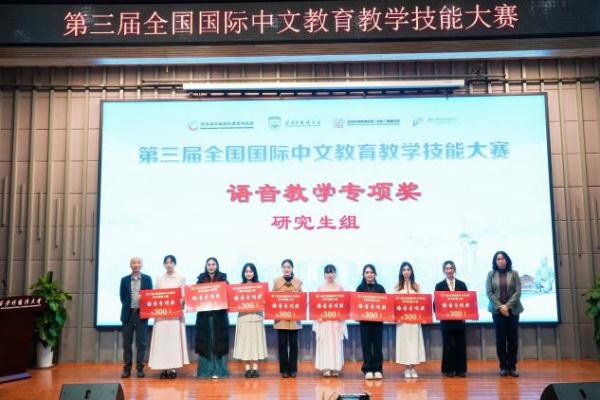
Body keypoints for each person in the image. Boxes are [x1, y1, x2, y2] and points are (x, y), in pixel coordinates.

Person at [148, 255, 190, 379]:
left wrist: (183, 300)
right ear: (164, 264)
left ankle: (172, 368)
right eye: (166, 262)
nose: (169, 264)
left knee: (173, 342)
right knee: (162, 342)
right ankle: (163, 368)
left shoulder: (181, 278)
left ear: (175, 264)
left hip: (174, 317)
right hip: (161, 316)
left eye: (171, 262)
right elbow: (155, 296)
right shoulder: (159, 279)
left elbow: (184, 296)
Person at [486, 251, 524, 377]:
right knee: (500, 340)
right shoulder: (491, 274)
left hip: (513, 311)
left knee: (512, 339)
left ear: (507, 260)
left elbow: (518, 291)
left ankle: (512, 366)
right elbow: (489, 292)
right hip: (497, 312)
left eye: (502, 259)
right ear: (495, 261)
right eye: (498, 259)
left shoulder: (514, 273)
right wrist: (500, 307)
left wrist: (507, 306)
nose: (500, 261)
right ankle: (503, 366)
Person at [195, 257, 230, 379]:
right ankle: (205, 371)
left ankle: (219, 371)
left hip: (219, 318)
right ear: (206, 266)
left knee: (218, 343)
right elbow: (194, 297)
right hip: (204, 318)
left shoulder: (223, 279)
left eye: (213, 264)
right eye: (209, 264)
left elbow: (228, 296)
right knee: (206, 344)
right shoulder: (200, 280)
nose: (211, 266)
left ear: (217, 266)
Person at [232, 262, 268, 378]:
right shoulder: (239, 287)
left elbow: (265, 302)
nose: (248, 273)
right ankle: (247, 369)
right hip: (244, 318)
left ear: (254, 273)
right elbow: (234, 302)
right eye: (246, 271)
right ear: (243, 273)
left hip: (257, 318)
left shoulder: (260, 286)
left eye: (251, 271)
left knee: (256, 343)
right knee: (245, 343)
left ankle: (255, 369)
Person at [119, 256, 153, 378]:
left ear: (141, 265)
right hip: (128, 315)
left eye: (138, 262)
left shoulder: (147, 279)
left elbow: (150, 296)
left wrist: (142, 301)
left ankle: (140, 369)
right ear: (131, 265)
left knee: (141, 344)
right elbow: (122, 297)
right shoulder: (124, 280)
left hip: (141, 315)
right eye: (134, 263)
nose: (136, 264)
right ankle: (127, 369)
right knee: (126, 344)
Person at [434, 260, 468, 378]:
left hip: (459, 320)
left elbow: (467, 302)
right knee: (448, 345)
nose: (449, 270)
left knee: (460, 345)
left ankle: (460, 369)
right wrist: (439, 313)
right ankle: (448, 369)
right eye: (447, 268)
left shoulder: (462, 285)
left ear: (454, 270)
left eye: (451, 268)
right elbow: (435, 304)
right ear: (444, 271)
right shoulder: (439, 285)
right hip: (446, 321)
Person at [313, 264, 347, 377]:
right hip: (324, 321)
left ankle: (336, 367)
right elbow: (316, 305)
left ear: (335, 274)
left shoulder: (340, 288)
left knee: (335, 343)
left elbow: (344, 305)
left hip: (336, 321)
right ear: (324, 274)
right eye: (327, 272)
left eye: (332, 272)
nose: (330, 274)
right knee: (325, 343)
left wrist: (342, 316)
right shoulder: (320, 288)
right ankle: (326, 368)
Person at [395, 261, 426, 378]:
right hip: (402, 321)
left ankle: (413, 368)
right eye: (404, 270)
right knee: (405, 343)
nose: (406, 272)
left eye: (408, 269)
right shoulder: (397, 286)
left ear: (411, 271)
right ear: (401, 272)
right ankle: (407, 368)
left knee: (414, 343)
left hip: (414, 320)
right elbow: (394, 303)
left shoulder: (417, 286)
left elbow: (422, 302)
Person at [272, 258, 303, 378]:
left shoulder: (298, 282)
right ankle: (284, 370)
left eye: (289, 267)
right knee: (282, 344)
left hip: (294, 319)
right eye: (284, 267)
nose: (286, 269)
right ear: (282, 268)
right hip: (281, 319)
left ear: (292, 268)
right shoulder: (276, 282)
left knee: (294, 345)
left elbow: (302, 299)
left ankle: (293, 369)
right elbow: (272, 298)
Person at [356, 264, 386, 380]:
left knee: (378, 346)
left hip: (377, 322)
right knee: (366, 346)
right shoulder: (360, 288)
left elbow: (385, 304)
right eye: (367, 272)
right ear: (363, 275)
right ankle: (368, 369)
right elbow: (356, 305)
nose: (369, 274)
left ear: (375, 274)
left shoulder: (380, 288)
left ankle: (378, 369)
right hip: (365, 323)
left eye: (371, 272)